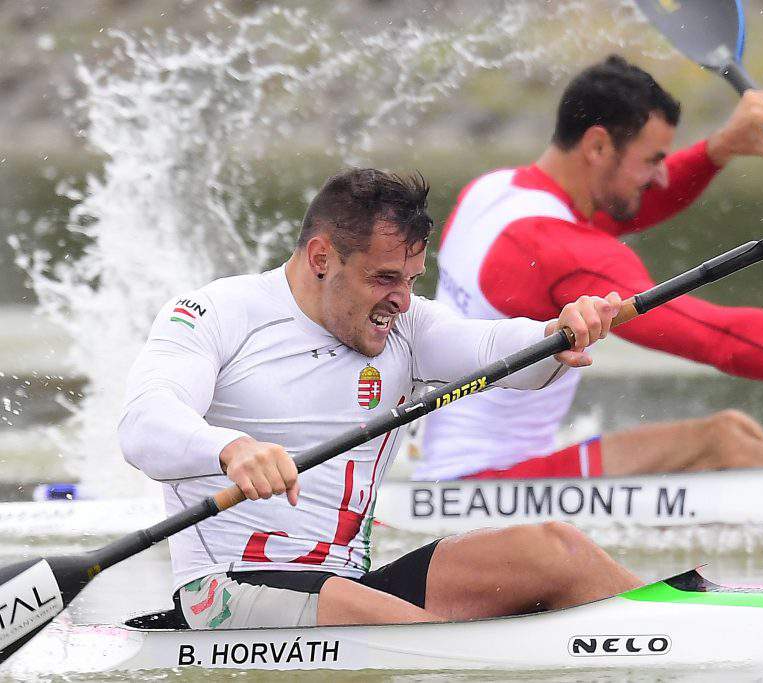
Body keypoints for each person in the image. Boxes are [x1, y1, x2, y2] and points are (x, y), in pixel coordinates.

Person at [118, 169, 640, 629]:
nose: (402, 300)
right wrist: (230, 449)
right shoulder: (217, 314)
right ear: (321, 258)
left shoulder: (407, 328)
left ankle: (672, 626)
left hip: (349, 586)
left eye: (411, 280)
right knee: (431, 644)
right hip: (228, 588)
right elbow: (144, 421)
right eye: (385, 278)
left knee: (557, 550)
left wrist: (558, 331)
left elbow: (492, 347)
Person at [416, 55, 763, 481]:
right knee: (722, 441)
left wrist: (719, 149)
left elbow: (628, 205)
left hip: (452, 468)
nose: (660, 177)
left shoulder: (494, 193)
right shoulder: (566, 250)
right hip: (487, 487)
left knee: (735, 430)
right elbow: (720, 339)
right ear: (598, 146)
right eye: (652, 160)